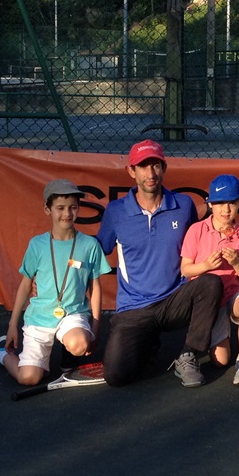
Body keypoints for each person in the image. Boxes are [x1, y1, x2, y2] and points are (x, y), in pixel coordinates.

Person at [96, 140, 223, 387]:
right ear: (131, 171)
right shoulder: (116, 211)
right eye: (143, 166)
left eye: (155, 165)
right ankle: (148, 340)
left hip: (175, 299)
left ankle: (188, 355)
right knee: (116, 376)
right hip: (135, 307)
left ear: (164, 168)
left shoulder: (183, 205)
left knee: (210, 283)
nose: (150, 173)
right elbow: (97, 251)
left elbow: (196, 246)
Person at [0, 180, 111, 385]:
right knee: (29, 378)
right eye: (60, 208)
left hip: (73, 315)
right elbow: (25, 284)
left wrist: (96, 327)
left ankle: (70, 356)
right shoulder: (37, 245)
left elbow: (95, 287)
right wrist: (12, 325)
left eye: (72, 207)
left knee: (79, 344)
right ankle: (0, 353)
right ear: (47, 209)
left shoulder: (90, 245)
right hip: (39, 318)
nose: (67, 213)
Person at [180, 174, 239, 385]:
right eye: (220, 203)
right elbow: (185, 270)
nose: (226, 209)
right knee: (221, 361)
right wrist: (206, 265)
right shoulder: (197, 230)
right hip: (207, 300)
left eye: (232, 203)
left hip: (234, 294)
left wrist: (236, 263)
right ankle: (212, 334)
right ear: (210, 204)